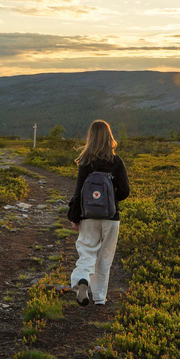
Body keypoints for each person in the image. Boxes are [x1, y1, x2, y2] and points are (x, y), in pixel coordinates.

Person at [68, 120, 130, 306]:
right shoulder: (116, 161)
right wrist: (111, 200)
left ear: (91, 137)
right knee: (105, 257)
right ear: (109, 137)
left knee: (87, 252)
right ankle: (100, 299)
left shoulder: (85, 162)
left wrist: (74, 216)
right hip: (111, 217)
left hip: (88, 216)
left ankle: (82, 280)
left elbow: (79, 192)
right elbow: (125, 191)